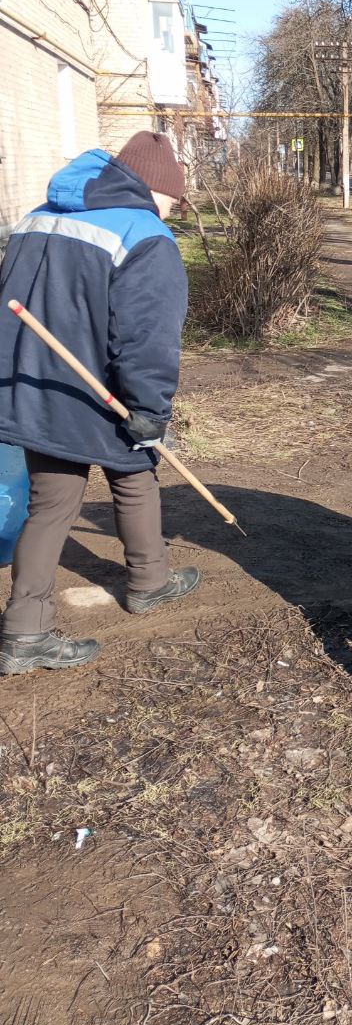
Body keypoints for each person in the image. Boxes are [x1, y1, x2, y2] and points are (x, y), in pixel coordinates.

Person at [0, 133, 201, 676]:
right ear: (155, 188)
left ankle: (26, 630)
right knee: (136, 469)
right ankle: (148, 582)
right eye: (172, 199)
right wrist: (150, 410)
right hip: (97, 389)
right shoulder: (145, 235)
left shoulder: (38, 215)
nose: (172, 210)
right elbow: (147, 338)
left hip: (29, 385)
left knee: (52, 504)